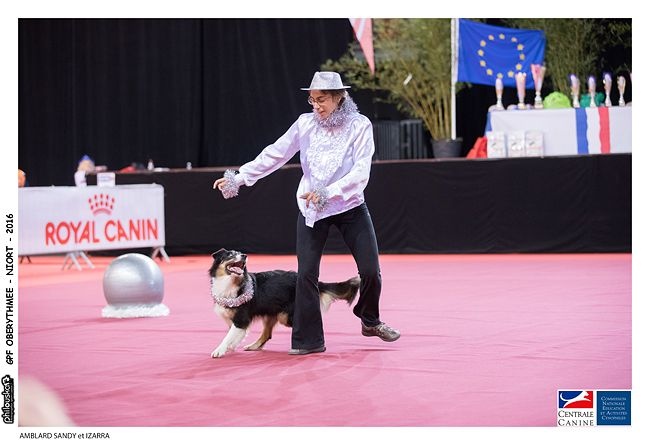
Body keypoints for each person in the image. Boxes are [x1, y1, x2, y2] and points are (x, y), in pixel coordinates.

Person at [213, 71, 400, 355]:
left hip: (349, 206)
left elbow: (361, 172)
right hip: (312, 207)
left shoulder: (359, 126)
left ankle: (369, 320)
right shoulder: (305, 124)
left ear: (339, 97)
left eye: (321, 99)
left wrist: (330, 191)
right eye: (312, 100)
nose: (316, 106)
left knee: (371, 271)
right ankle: (308, 341)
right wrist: (238, 178)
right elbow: (274, 154)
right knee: (306, 275)